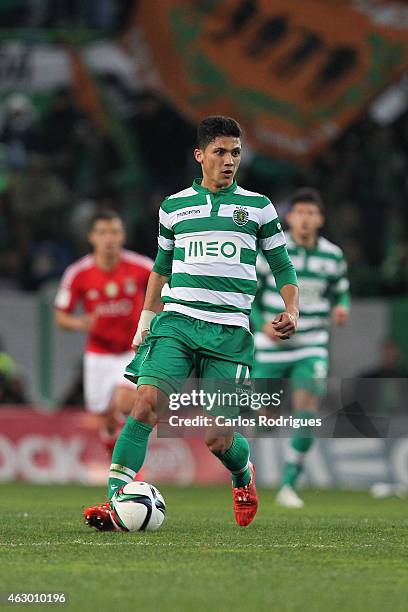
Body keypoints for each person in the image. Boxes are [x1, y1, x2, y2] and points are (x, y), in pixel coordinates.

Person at [84, 115, 299, 530]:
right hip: (177, 323)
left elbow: (283, 266)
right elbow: (161, 269)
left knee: (217, 439)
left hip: (229, 334)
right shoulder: (174, 206)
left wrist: (292, 311)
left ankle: (242, 474)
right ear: (200, 155)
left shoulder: (258, 208)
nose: (229, 160)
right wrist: (146, 319)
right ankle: (114, 502)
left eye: (235, 152)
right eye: (220, 152)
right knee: (143, 403)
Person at [252, 188, 350, 508]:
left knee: (306, 409)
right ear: (289, 218)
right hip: (271, 343)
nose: (305, 219)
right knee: (267, 417)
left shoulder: (332, 256)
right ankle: (248, 467)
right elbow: (248, 295)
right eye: (300, 213)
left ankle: (289, 484)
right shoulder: (272, 252)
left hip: (311, 342)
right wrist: (260, 323)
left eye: (311, 213)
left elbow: (341, 293)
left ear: (320, 219)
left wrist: (341, 308)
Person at [54, 210, 153, 451]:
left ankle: (133, 472)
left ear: (123, 237)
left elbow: (166, 289)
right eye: (102, 233)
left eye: (114, 232)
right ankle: (117, 466)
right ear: (92, 237)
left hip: (131, 351)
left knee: (125, 403)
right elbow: (60, 316)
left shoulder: (141, 267)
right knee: (106, 416)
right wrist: (80, 323)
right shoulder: (78, 273)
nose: (109, 238)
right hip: (98, 354)